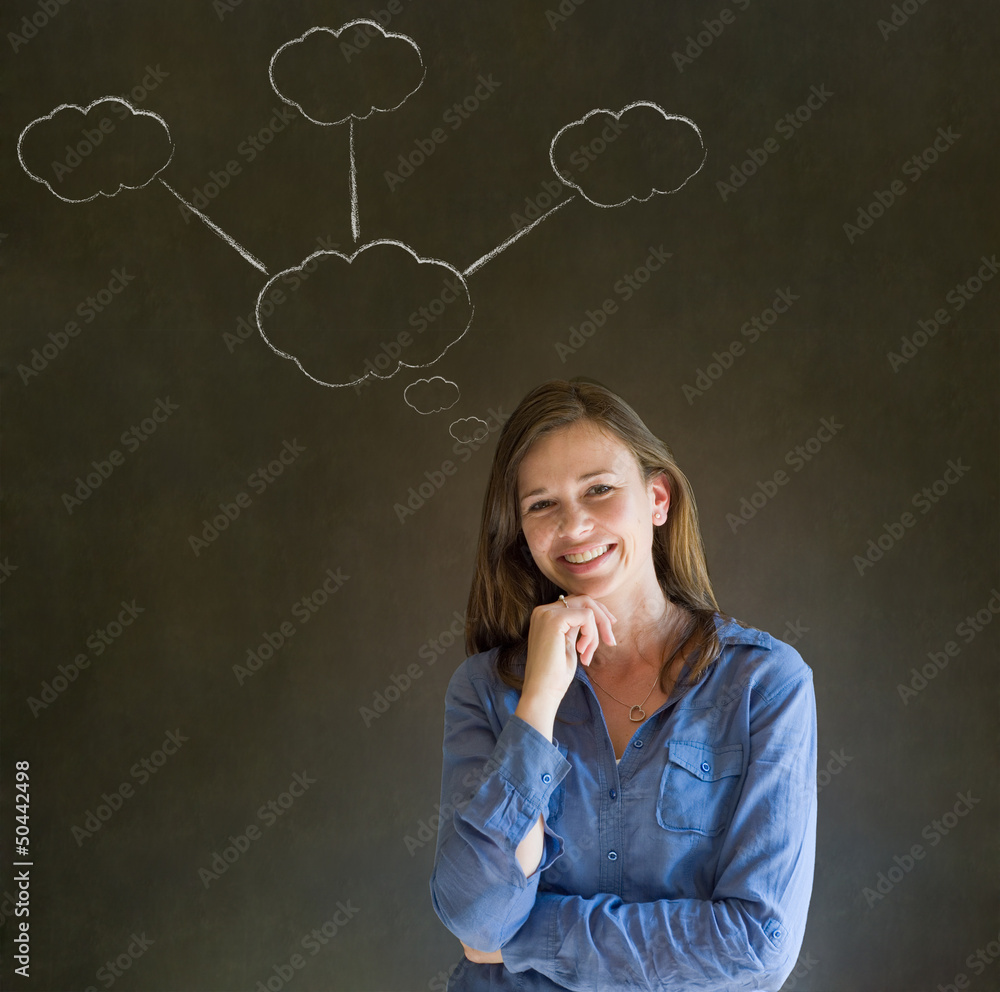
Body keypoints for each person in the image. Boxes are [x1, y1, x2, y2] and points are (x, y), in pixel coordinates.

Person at [429, 377, 817, 991]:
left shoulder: (764, 684)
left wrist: (524, 940)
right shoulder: (484, 689)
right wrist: (537, 705)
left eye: (600, 490)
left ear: (658, 499)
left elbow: (757, 946)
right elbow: (477, 913)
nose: (575, 525)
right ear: (522, 532)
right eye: (541, 504)